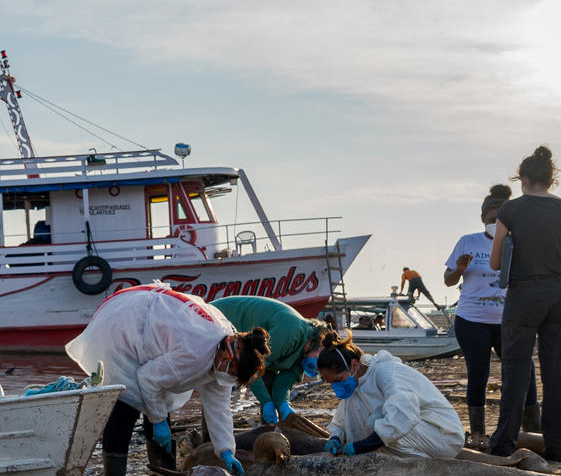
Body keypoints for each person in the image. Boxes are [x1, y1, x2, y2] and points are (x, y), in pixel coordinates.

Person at [65, 282, 268, 476]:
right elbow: (148, 379)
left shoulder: (225, 352)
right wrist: (159, 420)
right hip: (122, 325)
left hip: (147, 325)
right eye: (230, 371)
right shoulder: (197, 352)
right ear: (229, 358)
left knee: (157, 406)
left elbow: (219, 407)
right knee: (127, 404)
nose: (228, 376)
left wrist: (226, 450)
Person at [488, 146, 561, 460]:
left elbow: (495, 262)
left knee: (516, 370)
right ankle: (557, 446)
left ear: (523, 179)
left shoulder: (511, 210)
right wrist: (558, 250)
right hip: (559, 293)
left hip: (524, 295)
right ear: (550, 179)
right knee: (556, 371)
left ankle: (504, 443)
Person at [442, 184, 539, 450]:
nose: (495, 223)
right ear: (483, 218)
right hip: (472, 320)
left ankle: (532, 428)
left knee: (523, 371)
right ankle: (478, 432)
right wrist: (459, 269)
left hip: (509, 319)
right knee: (478, 373)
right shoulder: (468, 241)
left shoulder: (518, 241)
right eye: (490, 219)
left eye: (500, 219)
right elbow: (449, 280)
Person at [314, 330, 464, 460]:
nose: (336, 387)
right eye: (331, 383)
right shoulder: (356, 384)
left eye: (338, 380)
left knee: (375, 422)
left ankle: (420, 465)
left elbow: (404, 415)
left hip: (443, 436)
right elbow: (342, 419)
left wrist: (362, 446)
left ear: (353, 365)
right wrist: (335, 437)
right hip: (421, 433)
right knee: (367, 419)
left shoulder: (385, 371)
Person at [211, 295, 328, 425]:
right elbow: (252, 367)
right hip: (220, 319)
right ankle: (209, 439)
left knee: (268, 383)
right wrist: (266, 401)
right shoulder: (290, 333)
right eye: (321, 356)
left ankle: (269, 430)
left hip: (250, 348)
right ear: (319, 342)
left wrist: (284, 404)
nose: (317, 367)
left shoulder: (304, 354)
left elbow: (282, 384)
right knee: (215, 387)